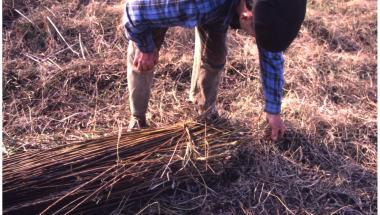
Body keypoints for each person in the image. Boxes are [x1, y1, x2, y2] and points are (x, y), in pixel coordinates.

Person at [123, 0, 307, 141]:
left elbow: (271, 53)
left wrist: (273, 112)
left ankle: (204, 111)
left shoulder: (272, 7)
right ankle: (137, 119)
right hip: (152, 8)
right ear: (246, 16)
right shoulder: (192, 4)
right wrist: (145, 47)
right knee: (143, 60)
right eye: (255, 35)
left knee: (216, 54)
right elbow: (133, 12)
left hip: (220, 10)